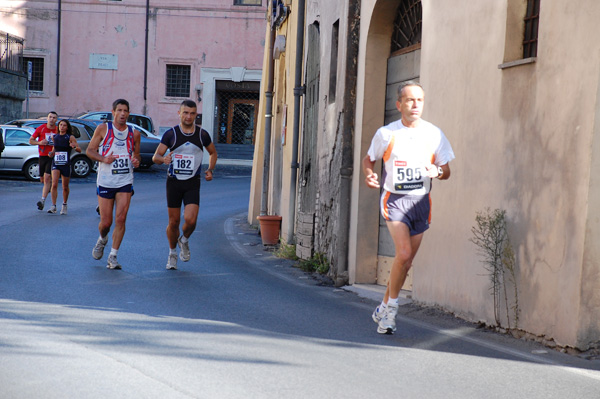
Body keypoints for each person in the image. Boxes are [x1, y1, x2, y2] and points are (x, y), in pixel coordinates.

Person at [362, 81, 455, 334]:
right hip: (395, 200)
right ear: (399, 104)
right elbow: (369, 159)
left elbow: (446, 171)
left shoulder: (435, 134)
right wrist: (370, 174)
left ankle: (382, 308)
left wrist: (436, 171)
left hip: (421, 202)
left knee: (407, 261)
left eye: (420, 100)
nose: (415, 105)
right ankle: (391, 311)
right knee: (403, 254)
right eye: (410, 100)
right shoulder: (387, 134)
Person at [152, 99, 217, 270]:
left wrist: (210, 169)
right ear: (179, 113)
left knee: (191, 220)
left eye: (192, 113)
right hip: (173, 183)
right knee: (173, 222)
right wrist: (163, 159)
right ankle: (172, 252)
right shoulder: (171, 134)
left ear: (196, 114)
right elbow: (155, 157)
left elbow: (213, 153)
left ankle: (184, 239)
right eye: (185, 113)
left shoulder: (202, 135)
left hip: (192, 182)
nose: (189, 116)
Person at [86, 99, 141, 270]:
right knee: (106, 223)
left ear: (128, 113)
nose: (123, 113)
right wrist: (104, 159)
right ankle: (102, 239)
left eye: (125, 110)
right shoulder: (103, 129)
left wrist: (136, 161)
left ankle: (113, 256)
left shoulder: (135, 133)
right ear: (113, 112)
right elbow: (90, 151)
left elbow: (137, 156)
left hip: (125, 180)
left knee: (121, 218)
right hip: (106, 180)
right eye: (119, 110)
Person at [47, 119, 81, 214]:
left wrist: (73, 146)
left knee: (65, 186)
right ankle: (53, 206)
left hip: (65, 164)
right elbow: (55, 149)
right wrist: (51, 153)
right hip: (56, 163)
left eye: (64, 125)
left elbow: (79, 149)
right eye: (60, 125)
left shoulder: (70, 137)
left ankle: (64, 205)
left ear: (67, 127)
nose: (62, 127)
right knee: (54, 184)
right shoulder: (55, 137)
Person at [29, 111, 58, 210]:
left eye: (54, 117)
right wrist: (40, 142)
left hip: (52, 156)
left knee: (47, 177)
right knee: (43, 179)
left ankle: (42, 200)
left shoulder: (57, 130)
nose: (52, 119)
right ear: (47, 118)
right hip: (42, 156)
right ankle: (47, 188)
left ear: (56, 119)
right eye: (50, 117)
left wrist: (55, 148)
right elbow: (31, 140)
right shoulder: (41, 128)